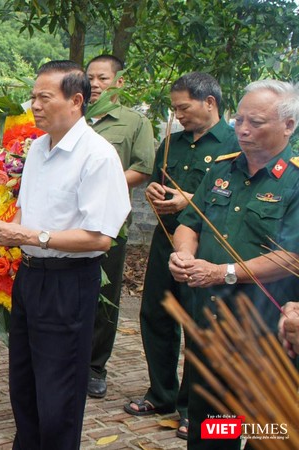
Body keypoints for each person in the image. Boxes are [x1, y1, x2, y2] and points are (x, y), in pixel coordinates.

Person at [0, 60, 130, 450]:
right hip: (30, 276)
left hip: (68, 283)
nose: (34, 105)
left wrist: (32, 234)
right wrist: (9, 233)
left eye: (44, 97)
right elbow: (29, 209)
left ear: (76, 100)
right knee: (24, 381)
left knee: (59, 393)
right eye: (33, 96)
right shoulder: (37, 148)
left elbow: (100, 238)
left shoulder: (97, 156)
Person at [170, 80, 299, 450]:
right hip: (212, 326)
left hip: (267, 336)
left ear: (288, 126)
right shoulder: (221, 170)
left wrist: (224, 272)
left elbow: (292, 256)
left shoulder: (294, 181)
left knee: (266, 434)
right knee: (213, 428)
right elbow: (188, 224)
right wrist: (184, 255)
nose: (242, 129)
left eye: (255, 122)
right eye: (239, 119)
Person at [125, 72, 239, 441]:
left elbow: (231, 198)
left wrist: (187, 200)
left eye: (183, 107)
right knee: (156, 314)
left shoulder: (235, 145)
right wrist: (156, 190)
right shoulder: (172, 142)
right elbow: (157, 179)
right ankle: (162, 393)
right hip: (166, 239)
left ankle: (193, 407)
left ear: (209, 102)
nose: (178, 114)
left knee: (197, 323)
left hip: (207, 247)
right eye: (174, 108)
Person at [84, 55, 156, 399]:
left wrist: (101, 183)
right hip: (66, 224)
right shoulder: (72, 117)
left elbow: (143, 168)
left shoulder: (134, 123)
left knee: (104, 296)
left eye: (103, 78)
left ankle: (95, 366)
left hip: (109, 224)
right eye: (91, 78)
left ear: (119, 83)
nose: (95, 84)